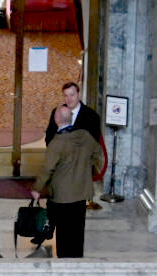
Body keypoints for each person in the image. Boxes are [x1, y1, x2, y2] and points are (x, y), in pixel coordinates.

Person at [31, 105, 105, 258]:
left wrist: (36, 188)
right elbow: (99, 155)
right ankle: (77, 266)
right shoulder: (85, 136)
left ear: (56, 119)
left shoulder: (57, 142)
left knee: (64, 237)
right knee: (77, 234)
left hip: (62, 197)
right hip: (81, 194)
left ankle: (65, 270)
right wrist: (85, 168)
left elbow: (47, 169)